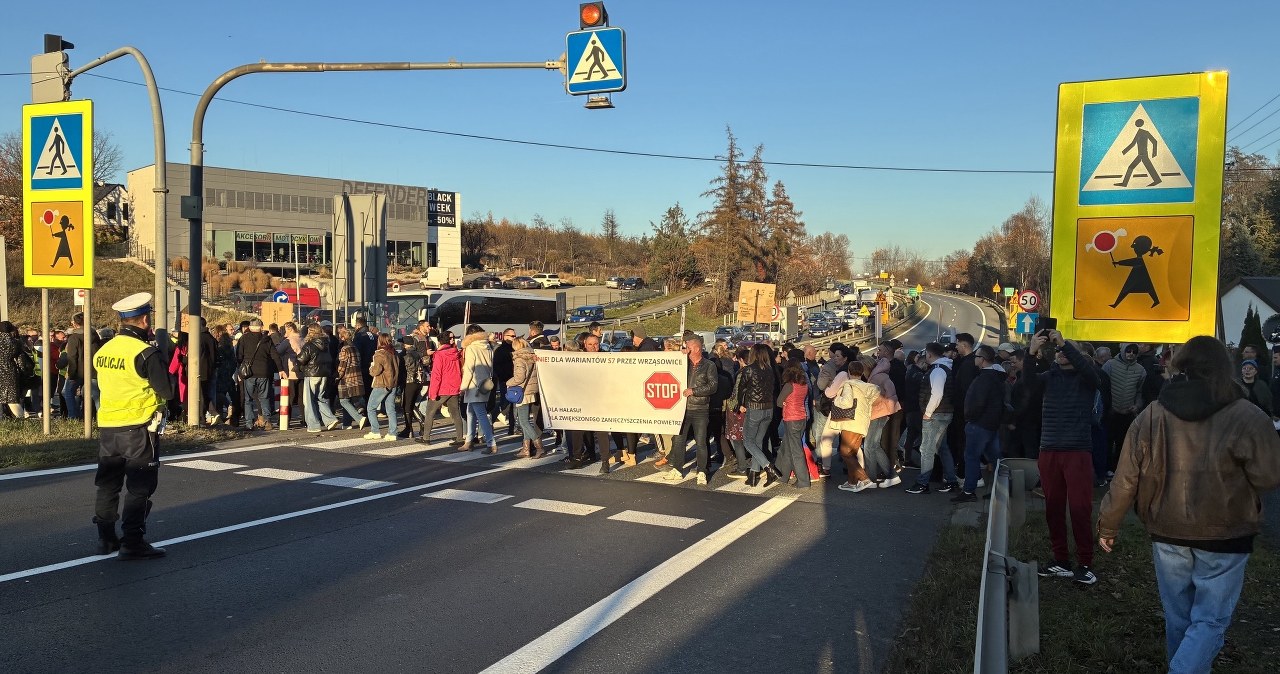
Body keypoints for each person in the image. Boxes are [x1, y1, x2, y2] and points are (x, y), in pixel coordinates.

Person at [1097, 336, 1280, 673]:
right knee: (1209, 622)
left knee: (1179, 619)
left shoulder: (1152, 414)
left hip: (1167, 529)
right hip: (1227, 532)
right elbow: (1269, 477)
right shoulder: (1248, 415)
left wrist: (1109, 524)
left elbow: (1125, 478)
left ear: (1181, 365)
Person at [91, 293, 175, 560]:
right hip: (138, 427)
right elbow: (167, 391)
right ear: (146, 319)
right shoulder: (146, 352)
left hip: (107, 426)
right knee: (139, 487)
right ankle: (133, 541)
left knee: (108, 485)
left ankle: (106, 539)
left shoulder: (104, 350)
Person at [1027, 329, 1102, 585]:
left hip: (1077, 450)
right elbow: (1028, 384)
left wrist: (1065, 343)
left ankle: (1085, 562)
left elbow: (1092, 375)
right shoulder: (1050, 377)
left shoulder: (1086, 378)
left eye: (1065, 349)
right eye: (1057, 349)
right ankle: (1061, 560)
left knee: (1080, 508)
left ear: (1079, 354)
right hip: (1049, 449)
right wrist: (1031, 353)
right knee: (1053, 507)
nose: (1059, 352)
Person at [662, 334, 719, 485]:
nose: (685, 349)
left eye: (688, 347)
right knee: (679, 441)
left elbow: (713, 386)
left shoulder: (709, 365)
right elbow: (669, 369)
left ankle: (702, 471)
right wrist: (678, 357)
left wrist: (694, 391)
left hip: (700, 408)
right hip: (682, 408)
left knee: (701, 441)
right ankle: (677, 469)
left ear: (697, 348)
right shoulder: (683, 362)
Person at [954, 345, 1005, 502]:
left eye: (976, 357)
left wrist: (970, 417)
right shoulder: (998, 377)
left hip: (979, 425)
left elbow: (978, 402)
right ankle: (1002, 488)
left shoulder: (983, 379)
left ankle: (969, 491)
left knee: (971, 457)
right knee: (996, 458)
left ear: (982, 360)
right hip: (992, 424)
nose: (974, 359)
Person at [906, 343, 959, 494]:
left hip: (935, 414)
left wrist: (928, 412)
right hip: (944, 413)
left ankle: (922, 483)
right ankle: (951, 481)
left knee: (927, 449)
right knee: (942, 448)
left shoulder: (937, 371)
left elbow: (937, 394)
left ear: (929, 354)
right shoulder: (946, 368)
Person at [828, 360, 882, 492]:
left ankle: (864, 479)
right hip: (862, 422)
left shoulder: (849, 385)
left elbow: (846, 402)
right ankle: (852, 482)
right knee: (852, 453)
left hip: (850, 422)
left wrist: (836, 399)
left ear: (849, 372)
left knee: (845, 452)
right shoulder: (868, 387)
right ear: (862, 372)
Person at [1103, 344, 1146, 474]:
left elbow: (1140, 391)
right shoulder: (1109, 365)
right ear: (1123, 351)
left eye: (1134, 352)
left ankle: (1118, 469)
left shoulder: (1141, 370)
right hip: (1110, 411)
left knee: (1124, 443)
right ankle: (1106, 468)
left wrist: (1137, 406)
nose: (1131, 354)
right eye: (1128, 351)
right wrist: (1107, 406)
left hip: (1127, 412)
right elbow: (1102, 387)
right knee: (1107, 441)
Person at [235, 319, 283, 431]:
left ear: (250, 327)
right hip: (264, 372)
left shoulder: (244, 338)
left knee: (248, 399)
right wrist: (280, 369)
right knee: (264, 397)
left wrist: (239, 370)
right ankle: (267, 421)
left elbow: (239, 356)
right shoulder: (266, 339)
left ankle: (249, 423)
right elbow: (275, 355)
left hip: (249, 373)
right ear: (261, 327)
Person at [420, 331, 466, 446]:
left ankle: (426, 438)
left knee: (430, 412)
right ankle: (460, 438)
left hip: (442, 388)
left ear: (440, 341)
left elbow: (436, 375)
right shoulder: (456, 353)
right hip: (455, 386)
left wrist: (433, 392)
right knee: (455, 412)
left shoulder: (439, 354)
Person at [864, 352, 902, 488]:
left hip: (877, 413)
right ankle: (890, 475)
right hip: (885, 412)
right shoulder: (882, 374)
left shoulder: (875, 378)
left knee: (869, 446)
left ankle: (872, 478)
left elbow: (877, 397)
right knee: (875, 445)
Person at [459, 324, 498, 453]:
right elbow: (491, 367)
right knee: (471, 412)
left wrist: (463, 387)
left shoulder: (471, 348)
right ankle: (468, 441)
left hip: (473, 385)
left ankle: (491, 443)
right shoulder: (488, 346)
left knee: (480, 414)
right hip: (485, 383)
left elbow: (469, 369)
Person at [296, 324, 340, 433]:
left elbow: (301, 359)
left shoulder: (309, 345)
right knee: (321, 398)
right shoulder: (326, 344)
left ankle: (313, 425)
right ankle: (330, 419)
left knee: (309, 401)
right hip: (324, 374)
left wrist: (298, 364)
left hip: (312, 374)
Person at [507, 336, 545, 458]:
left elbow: (519, 378)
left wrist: (508, 383)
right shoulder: (531, 356)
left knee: (523, 421)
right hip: (530, 390)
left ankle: (538, 447)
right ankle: (526, 449)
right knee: (525, 421)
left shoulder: (519, 359)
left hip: (522, 392)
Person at [58, 312, 101, 419]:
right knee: (96, 397)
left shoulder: (74, 338)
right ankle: (101, 419)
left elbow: (72, 357)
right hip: (93, 370)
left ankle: (74, 417)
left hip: (78, 372)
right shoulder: (95, 335)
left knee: (67, 392)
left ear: (75, 323)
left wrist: (71, 374)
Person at [775, 363, 810, 488]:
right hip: (802, 417)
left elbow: (779, 402)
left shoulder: (789, 386)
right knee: (787, 448)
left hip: (791, 418)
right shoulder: (804, 385)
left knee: (796, 451)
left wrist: (785, 403)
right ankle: (783, 476)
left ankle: (803, 481)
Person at [364, 333, 401, 440]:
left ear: (380, 341)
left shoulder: (379, 354)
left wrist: (371, 368)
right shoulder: (394, 353)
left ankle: (375, 431)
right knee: (391, 409)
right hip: (393, 383)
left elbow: (376, 371)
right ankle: (393, 432)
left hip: (382, 383)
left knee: (371, 407)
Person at [335, 325, 368, 430]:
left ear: (343, 338)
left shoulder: (344, 349)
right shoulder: (355, 348)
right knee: (348, 400)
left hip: (346, 378)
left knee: (343, 400)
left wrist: (337, 377)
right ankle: (346, 423)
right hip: (356, 376)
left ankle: (359, 418)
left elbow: (342, 366)